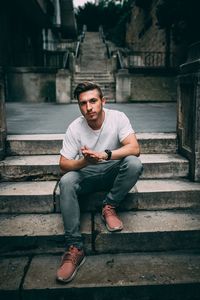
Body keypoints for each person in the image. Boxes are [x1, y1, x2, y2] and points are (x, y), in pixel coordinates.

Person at [56, 81, 143, 283]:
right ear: (79, 106)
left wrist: (106, 154)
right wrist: (84, 161)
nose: (89, 107)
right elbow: (63, 164)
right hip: (87, 173)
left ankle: (109, 205)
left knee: (133, 163)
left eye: (93, 101)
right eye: (83, 103)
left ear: (103, 101)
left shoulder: (118, 117)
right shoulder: (74, 128)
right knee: (66, 181)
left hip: (112, 169)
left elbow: (134, 148)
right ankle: (75, 247)